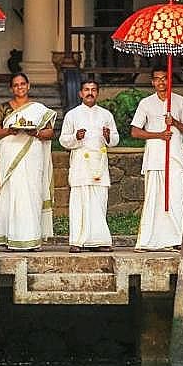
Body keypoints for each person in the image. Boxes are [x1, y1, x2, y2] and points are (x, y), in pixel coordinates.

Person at [131, 64, 183, 250]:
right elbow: (135, 132)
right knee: (154, 198)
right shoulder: (146, 103)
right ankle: (149, 240)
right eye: (157, 79)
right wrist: (158, 135)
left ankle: (175, 239)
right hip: (155, 157)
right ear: (152, 82)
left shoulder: (180, 101)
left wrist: (174, 122)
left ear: (170, 80)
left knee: (174, 198)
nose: (161, 82)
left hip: (173, 156)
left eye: (164, 78)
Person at [0, 72, 56, 250]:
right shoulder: (4, 108)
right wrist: (9, 131)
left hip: (32, 155)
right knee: (10, 193)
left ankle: (32, 238)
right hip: (10, 153)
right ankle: (8, 236)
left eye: (22, 84)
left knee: (31, 192)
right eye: (16, 85)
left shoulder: (38, 109)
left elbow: (49, 132)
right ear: (12, 88)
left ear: (28, 86)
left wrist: (35, 132)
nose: (20, 87)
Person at [58, 78, 119, 252]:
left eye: (93, 89)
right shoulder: (72, 115)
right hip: (80, 164)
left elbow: (115, 139)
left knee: (100, 202)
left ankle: (100, 241)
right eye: (86, 89)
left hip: (99, 164)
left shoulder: (106, 115)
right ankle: (77, 241)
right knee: (79, 204)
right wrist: (76, 137)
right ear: (80, 93)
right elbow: (63, 140)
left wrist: (108, 137)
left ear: (97, 93)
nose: (90, 92)